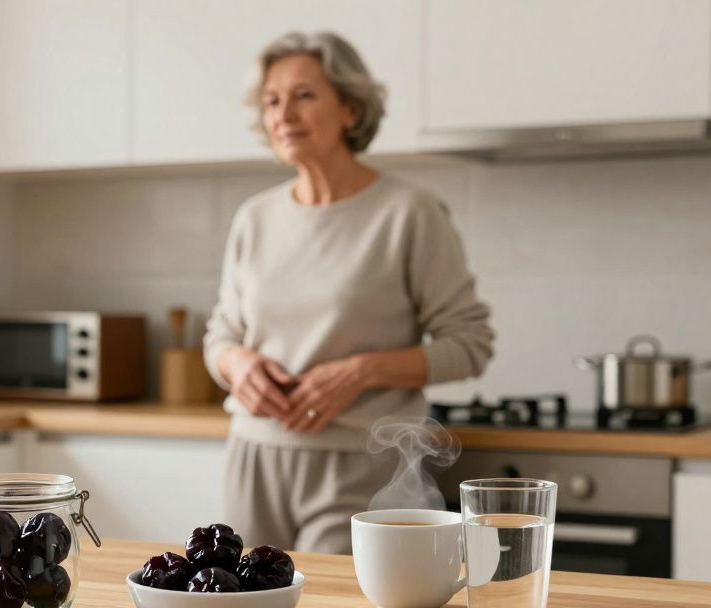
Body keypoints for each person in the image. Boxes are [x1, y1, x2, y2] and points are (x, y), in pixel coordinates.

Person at [203, 32, 493, 554]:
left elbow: (470, 344)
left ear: (351, 108)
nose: (283, 113)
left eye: (304, 95)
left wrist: (362, 371)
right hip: (252, 457)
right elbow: (220, 334)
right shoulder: (254, 218)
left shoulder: (408, 214)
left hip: (364, 464)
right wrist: (236, 362)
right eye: (272, 100)